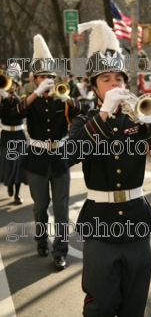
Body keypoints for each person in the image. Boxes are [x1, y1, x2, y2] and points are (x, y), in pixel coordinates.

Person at [68, 20, 151, 317]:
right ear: (93, 87)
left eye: (119, 78)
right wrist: (103, 114)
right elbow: (68, 155)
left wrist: (148, 122)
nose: (115, 84)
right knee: (101, 304)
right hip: (99, 223)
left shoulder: (137, 119)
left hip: (137, 219)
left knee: (134, 302)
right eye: (106, 79)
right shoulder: (86, 121)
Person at [11, 34, 83, 270]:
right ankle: (41, 239)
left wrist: (69, 99)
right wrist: (35, 93)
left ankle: (60, 250)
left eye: (50, 77)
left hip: (60, 159)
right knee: (41, 206)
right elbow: (14, 114)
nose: (48, 80)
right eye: (43, 77)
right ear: (34, 79)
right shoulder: (28, 100)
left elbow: (86, 112)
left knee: (61, 209)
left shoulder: (62, 100)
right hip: (38, 160)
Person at [0, 64, 27, 204]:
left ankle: (17, 193)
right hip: (5, 136)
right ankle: (9, 185)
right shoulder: (2, 101)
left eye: (14, 85)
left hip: (19, 136)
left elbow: (17, 110)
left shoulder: (20, 99)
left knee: (19, 166)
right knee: (7, 164)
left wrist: (7, 97)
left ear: (17, 86)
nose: (12, 87)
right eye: (10, 85)